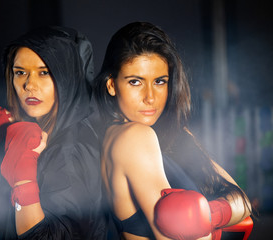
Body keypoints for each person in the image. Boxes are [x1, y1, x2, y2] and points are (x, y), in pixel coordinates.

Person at [94, 22, 253, 240]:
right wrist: (217, 217)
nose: (150, 97)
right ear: (111, 85)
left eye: (159, 81)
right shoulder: (134, 137)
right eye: (135, 82)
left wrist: (209, 217)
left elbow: (242, 200)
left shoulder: (171, 134)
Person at [0, 26, 106, 239]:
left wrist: (23, 181)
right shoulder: (26, 136)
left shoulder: (73, 149)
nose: (29, 85)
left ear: (65, 77)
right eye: (20, 73)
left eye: (43, 72)